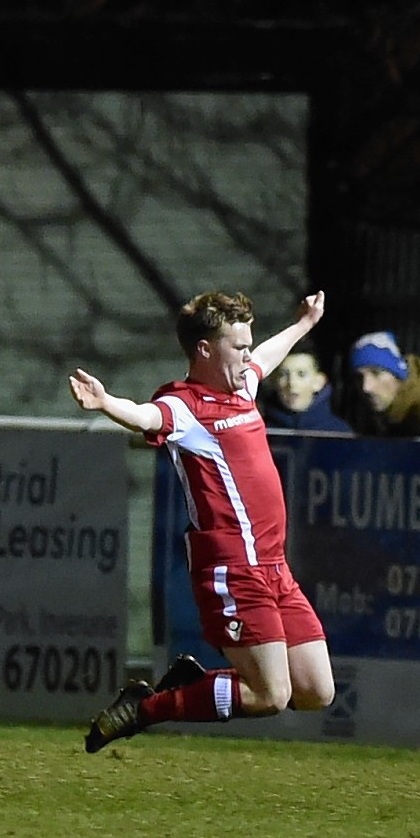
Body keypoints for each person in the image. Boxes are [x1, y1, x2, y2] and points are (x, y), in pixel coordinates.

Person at [69, 289, 336, 753]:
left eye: (249, 345)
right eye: (240, 347)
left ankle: (186, 686)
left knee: (316, 690)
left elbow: (265, 360)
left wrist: (304, 325)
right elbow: (147, 416)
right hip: (233, 569)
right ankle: (144, 708)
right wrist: (108, 402)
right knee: (272, 695)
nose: (249, 356)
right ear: (206, 350)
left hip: (273, 566)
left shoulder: (242, 387)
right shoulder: (186, 405)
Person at [258, 345, 352, 432]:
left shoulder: (339, 432)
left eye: (301, 374)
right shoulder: (260, 428)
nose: (292, 382)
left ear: (319, 382)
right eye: (284, 374)